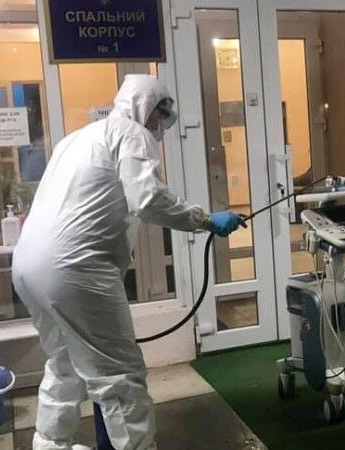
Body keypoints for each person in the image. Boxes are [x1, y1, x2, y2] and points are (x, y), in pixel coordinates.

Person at [12, 74, 245, 450]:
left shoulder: (77, 138)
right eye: (161, 118)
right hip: (76, 268)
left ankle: (49, 444)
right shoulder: (131, 133)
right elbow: (147, 200)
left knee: (64, 361)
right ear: (148, 109)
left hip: (27, 265)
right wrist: (204, 220)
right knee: (119, 375)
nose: (161, 128)